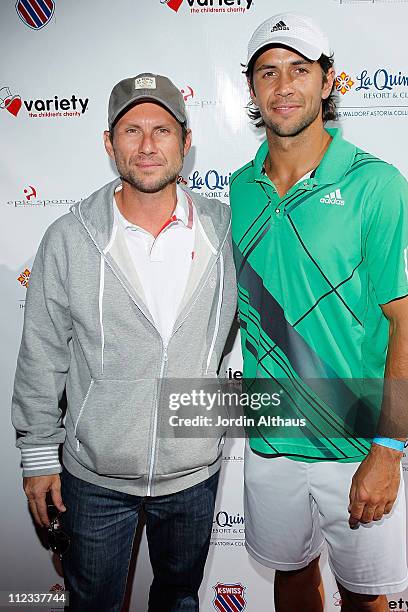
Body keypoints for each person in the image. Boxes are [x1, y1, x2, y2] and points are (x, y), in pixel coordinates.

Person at [12, 72, 237, 612]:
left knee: (179, 599)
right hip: (93, 478)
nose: (147, 145)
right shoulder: (70, 237)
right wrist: (37, 454)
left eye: (161, 129)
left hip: (194, 473)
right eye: (131, 130)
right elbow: (42, 352)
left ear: (186, 142)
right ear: (109, 144)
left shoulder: (227, 231)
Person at [229, 12, 408, 612]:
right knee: (291, 577)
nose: (283, 86)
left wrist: (389, 448)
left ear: (328, 82)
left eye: (300, 70)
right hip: (270, 437)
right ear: (251, 89)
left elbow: (404, 322)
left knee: (365, 597)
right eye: (268, 72)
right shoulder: (238, 189)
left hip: (357, 444)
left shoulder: (376, 184)